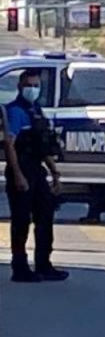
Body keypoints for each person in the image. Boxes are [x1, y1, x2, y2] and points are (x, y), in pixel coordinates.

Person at [4, 69, 69, 282]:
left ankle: (43, 264)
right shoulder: (14, 111)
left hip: (37, 168)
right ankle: (20, 268)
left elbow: (43, 146)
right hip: (22, 167)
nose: (33, 89)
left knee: (45, 216)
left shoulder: (37, 110)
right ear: (20, 87)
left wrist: (54, 173)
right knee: (21, 220)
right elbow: (10, 146)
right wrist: (18, 175)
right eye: (29, 85)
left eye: (36, 85)